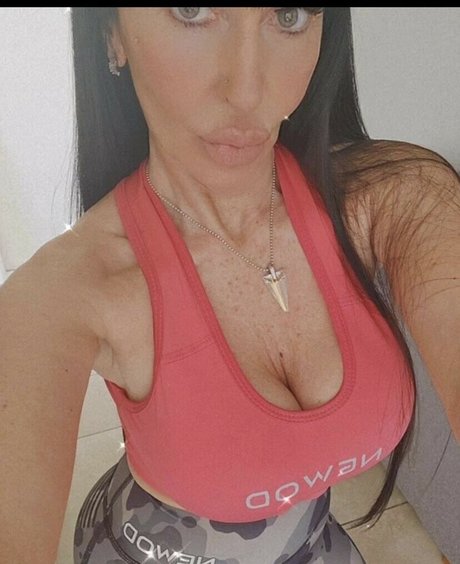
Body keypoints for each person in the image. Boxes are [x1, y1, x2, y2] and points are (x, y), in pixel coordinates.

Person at [1, 7, 458, 564]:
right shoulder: (59, 294)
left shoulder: (399, 199)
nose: (247, 91)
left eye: (288, 15)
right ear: (111, 33)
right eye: (191, 10)